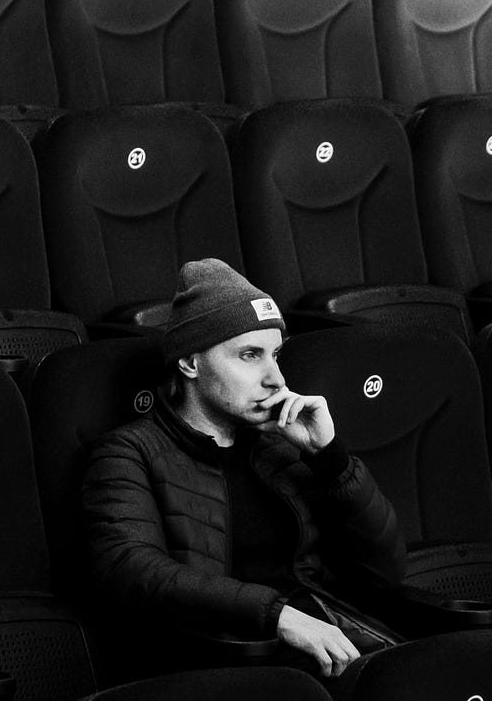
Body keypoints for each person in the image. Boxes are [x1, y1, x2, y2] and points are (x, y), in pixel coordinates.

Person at [82, 258, 406, 677]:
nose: (275, 379)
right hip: (221, 666)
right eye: (249, 355)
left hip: (321, 651)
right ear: (189, 363)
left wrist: (331, 459)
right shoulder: (128, 453)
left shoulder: (280, 447)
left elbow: (388, 570)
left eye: (275, 355)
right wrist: (280, 616)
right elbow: (134, 571)